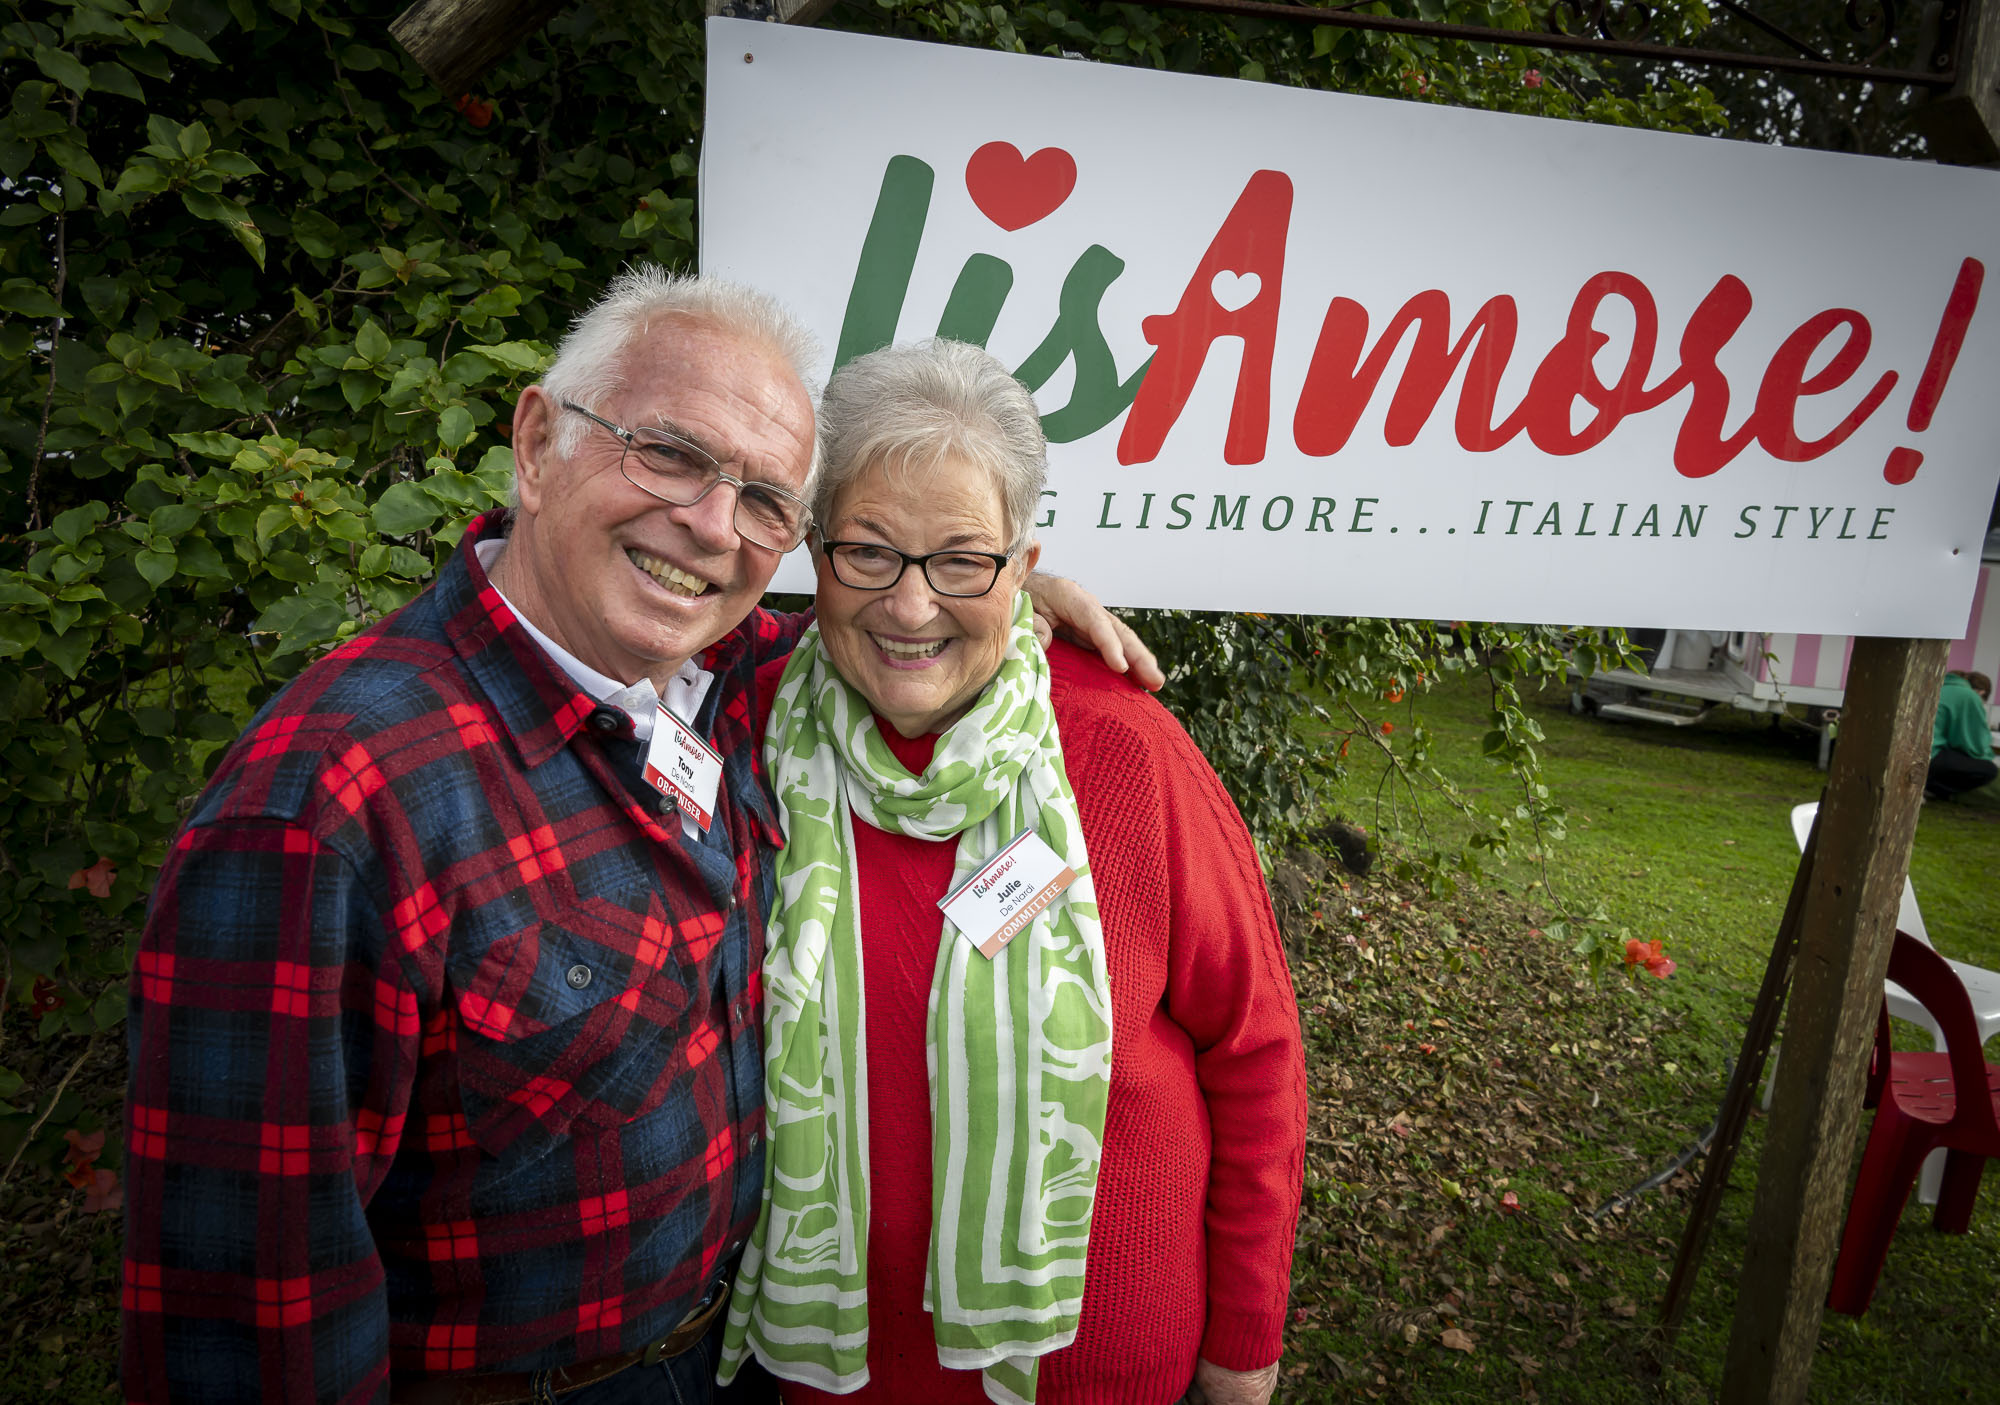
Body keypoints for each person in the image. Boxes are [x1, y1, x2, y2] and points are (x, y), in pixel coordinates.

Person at [121, 269, 1159, 1405]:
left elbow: (892, 622)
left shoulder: (723, 682)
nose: (711, 525)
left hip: (739, 1355)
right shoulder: (328, 806)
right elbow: (249, 1311)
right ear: (536, 444)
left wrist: (1004, 593)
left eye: (764, 500)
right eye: (668, 454)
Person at [721, 340, 1306, 1405]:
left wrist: (1244, 1343)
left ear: (1023, 568)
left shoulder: (1126, 749)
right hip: (828, 1375)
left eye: (961, 561)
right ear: (814, 550)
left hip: (1097, 1371)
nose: (910, 607)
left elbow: (1254, 1049)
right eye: (869, 552)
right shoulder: (742, 724)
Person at [1927, 669, 1996, 801]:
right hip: (1930, 754)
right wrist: (1988, 756)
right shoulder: (1969, 696)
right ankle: (1931, 788)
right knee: (1989, 769)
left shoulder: (1941, 686)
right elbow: (1975, 746)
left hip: (1916, 748)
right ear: (1981, 693)